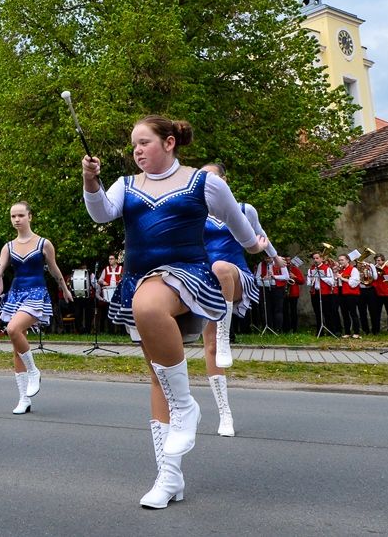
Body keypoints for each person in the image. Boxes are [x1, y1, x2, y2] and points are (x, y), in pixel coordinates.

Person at [82, 115, 267, 509]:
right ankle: (169, 477)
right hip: (138, 278)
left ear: (169, 143)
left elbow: (238, 224)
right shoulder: (127, 185)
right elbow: (101, 213)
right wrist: (91, 182)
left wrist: (254, 247)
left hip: (187, 277)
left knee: (147, 305)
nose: (137, 151)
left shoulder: (203, 182)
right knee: (157, 378)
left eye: (144, 142)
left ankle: (187, 407)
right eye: (133, 145)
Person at [198, 162, 282, 437]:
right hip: (207, 282)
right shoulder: (196, 213)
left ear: (224, 180)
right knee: (209, 348)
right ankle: (225, 414)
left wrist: (274, 256)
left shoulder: (244, 209)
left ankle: (226, 332)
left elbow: (260, 236)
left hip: (236, 274)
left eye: (210, 178)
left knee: (222, 266)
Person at [0, 202, 72, 415]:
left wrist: (64, 288)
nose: (16, 219)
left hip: (36, 293)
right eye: (13, 216)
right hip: (16, 294)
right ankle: (23, 398)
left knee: (13, 329)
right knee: (16, 346)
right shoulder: (8, 246)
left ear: (30, 216)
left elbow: (54, 269)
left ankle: (34, 370)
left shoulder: (43, 243)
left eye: (20, 215)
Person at [307, 252, 338, 335]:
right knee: (317, 312)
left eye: (317, 258)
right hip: (315, 293)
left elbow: (332, 282)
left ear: (321, 259)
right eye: (314, 258)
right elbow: (308, 283)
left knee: (327, 312)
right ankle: (319, 332)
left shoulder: (327, 268)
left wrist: (322, 276)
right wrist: (312, 280)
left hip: (325, 293)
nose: (315, 260)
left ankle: (331, 331)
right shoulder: (311, 269)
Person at [335, 254, 361, 338]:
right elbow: (337, 283)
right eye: (339, 260)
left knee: (353, 313)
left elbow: (354, 283)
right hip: (341, 294)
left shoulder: (353, 269)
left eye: (342, 260)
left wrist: (342, 278)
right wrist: (335, 273)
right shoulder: (340, 270)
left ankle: (356, 332)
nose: (340, 262)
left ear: (347, 260)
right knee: (344, 314)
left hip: (351, 294)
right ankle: (347, 332)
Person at [372, 254, 388, 332]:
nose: (377, 262)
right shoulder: (373, 269)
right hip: (377, 293)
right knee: (376, 313)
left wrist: (382, 272)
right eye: (376, 260)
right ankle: (376, 330)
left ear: (383, 261)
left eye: (379, 260)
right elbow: (372, 280)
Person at [283, 257, 305, 333]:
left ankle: (294, 328)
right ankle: (286, 328)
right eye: (286, 260)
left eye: (289, 260)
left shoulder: (295, 269)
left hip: (293, 293)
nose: (288, 262)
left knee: (293, 311)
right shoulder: (281, 268)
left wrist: (294, 277)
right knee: (285, 311)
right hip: (284, 293)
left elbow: (302, 281)